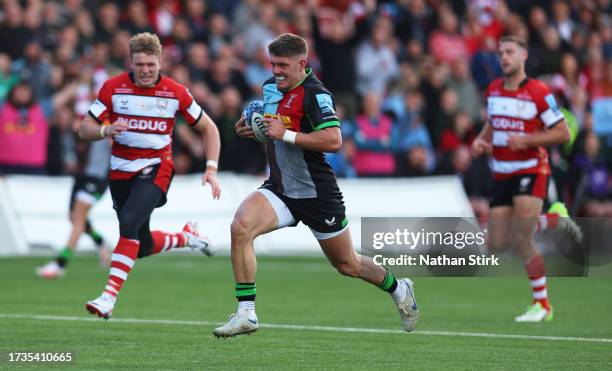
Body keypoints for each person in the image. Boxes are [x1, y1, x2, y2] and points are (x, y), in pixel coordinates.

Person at [212, 33, 418, 338]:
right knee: (240, 227)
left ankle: (399, 287)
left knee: (347, 264)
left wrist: (286, 134)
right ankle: (246, 313)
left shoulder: (316, 94)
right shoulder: (270, 87)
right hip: (280, 188)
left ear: (302, 64)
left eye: (283, 65)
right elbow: (271, 128)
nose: (277, 71)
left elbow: (334, 141)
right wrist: (252, 130)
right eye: (273, 64)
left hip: (316, 193)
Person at [78, 32, 221, 319]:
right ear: (130, 63)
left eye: (151, 65)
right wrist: (106, 130)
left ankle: (108, 297)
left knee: (129, 222)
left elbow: (209, 128)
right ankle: (186, 237)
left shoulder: (175, 92)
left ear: (161, 62)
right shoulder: (113, 88)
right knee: (139, 245)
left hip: (157, 167)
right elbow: (85, 128)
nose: (145, 70)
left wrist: (211, 169)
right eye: (140, 64)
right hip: (120, 172)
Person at [472, 35, 582, 323]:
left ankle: (542, 304)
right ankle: (555, 218)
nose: (504, 57)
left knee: (522, 235)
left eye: (510, 52)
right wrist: (482, 140)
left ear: (523, 56)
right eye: (501, 53)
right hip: (502, 173)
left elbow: (562, 133)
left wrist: (528, 140)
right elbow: (493, 122)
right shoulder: (494, 90)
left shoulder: (539, 92)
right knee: (496, 243)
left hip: (531, 168)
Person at [36, 137, 112, 279]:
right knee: (74, 217)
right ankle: (101, 242)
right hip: (81, 176)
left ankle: (60, 264)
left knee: (78, 218)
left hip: (97, 178)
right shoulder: (88, 122)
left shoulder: (108, 124)